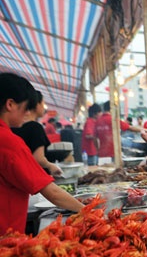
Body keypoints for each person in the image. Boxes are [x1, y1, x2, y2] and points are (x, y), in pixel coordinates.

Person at [0, 73, 84, 235]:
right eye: (25, 107)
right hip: (6, 238)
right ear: (10, 104)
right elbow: (52, 193)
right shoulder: (8, 141)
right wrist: (89, 211)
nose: (27, 113)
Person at [11, 90, 62, 176]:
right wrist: (50, 166)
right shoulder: (35, 127)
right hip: (34, 177)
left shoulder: (13, 127)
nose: (44, 107)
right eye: (43, 104)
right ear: (36, 105)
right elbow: (38, 158)